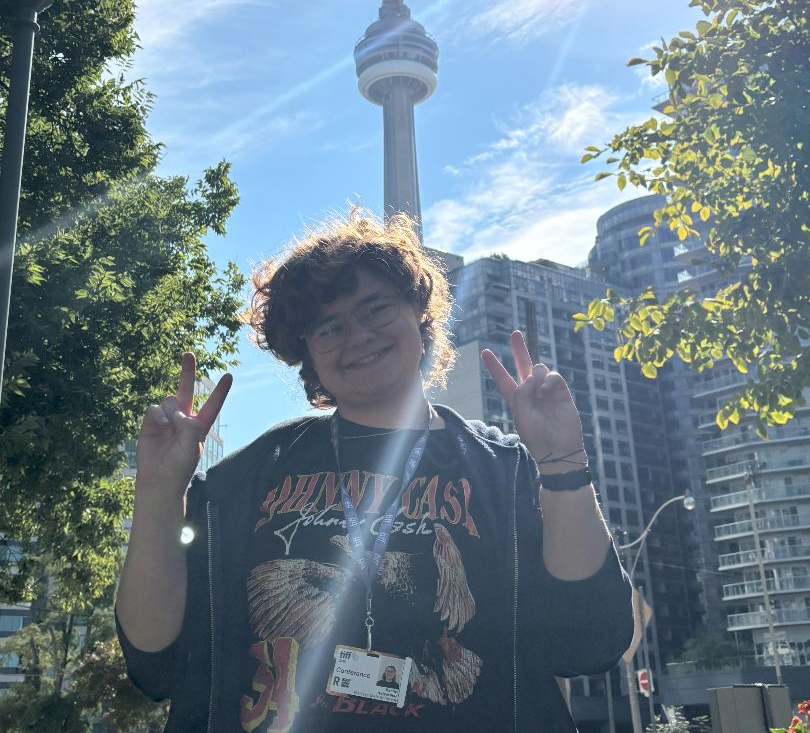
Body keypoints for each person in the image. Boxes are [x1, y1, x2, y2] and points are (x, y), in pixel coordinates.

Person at [116, 212, 633, 732]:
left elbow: (590, 640)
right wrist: (159, 491)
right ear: (308, 355)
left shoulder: (502, 470)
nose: (358, 336)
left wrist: (562, 463)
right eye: (329, 327)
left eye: (376, 309)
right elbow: (156, 660)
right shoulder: (248, 476)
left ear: (419, 315)